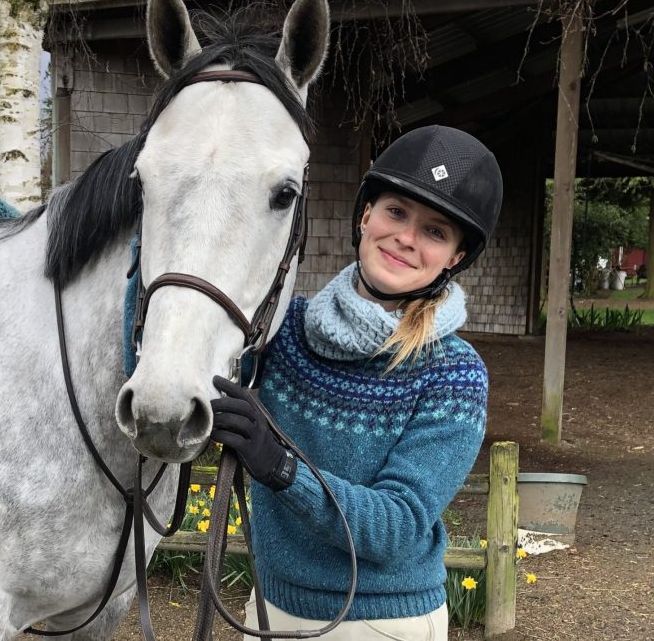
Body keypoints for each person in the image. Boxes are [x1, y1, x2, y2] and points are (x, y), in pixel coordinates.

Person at [210, 125, 503, 640]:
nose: (406, 238)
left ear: (455, 258)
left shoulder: (453, 374)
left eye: (435, 232)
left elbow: (398, 524)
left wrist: (280, 467)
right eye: (396, 212)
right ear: (366, 215)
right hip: (267, 606)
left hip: (381, 621)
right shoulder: (283, 328)